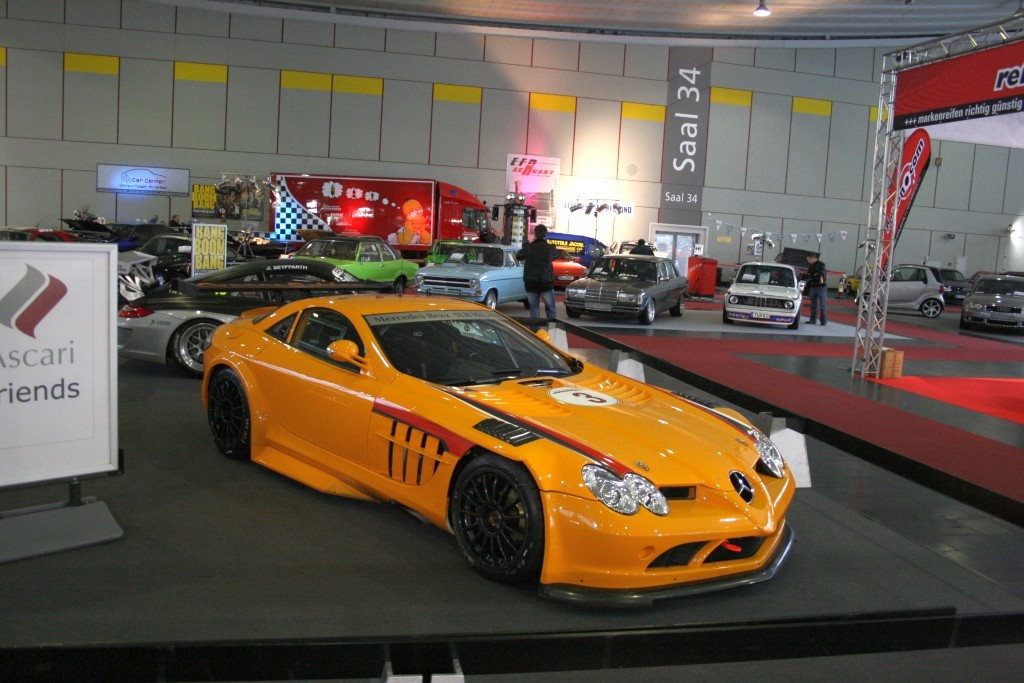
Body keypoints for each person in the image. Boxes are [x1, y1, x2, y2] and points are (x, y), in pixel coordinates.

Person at [516, 224, 557, 326]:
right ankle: (552, 329)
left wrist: (527, 244)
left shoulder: (528, 247)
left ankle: (534, 332)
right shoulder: (550, 248)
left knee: (534, 310)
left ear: (535, 234)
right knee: (551, 309)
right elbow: (553, 257)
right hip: (546, 283)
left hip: (531, 284)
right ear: (545, 234)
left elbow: (518, 256)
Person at [805, 253, 828, 325]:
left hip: (821, 287)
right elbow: (810, 274)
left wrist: (813, 274)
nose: (808, 261)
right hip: (813, 286)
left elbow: (820, 275)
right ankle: (813, 320)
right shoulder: (811, 265)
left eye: (808, 259)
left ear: (812, 258)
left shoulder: (821, 264)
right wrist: (814, 274)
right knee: (813, 305)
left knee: (822, 305)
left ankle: (823, 321)